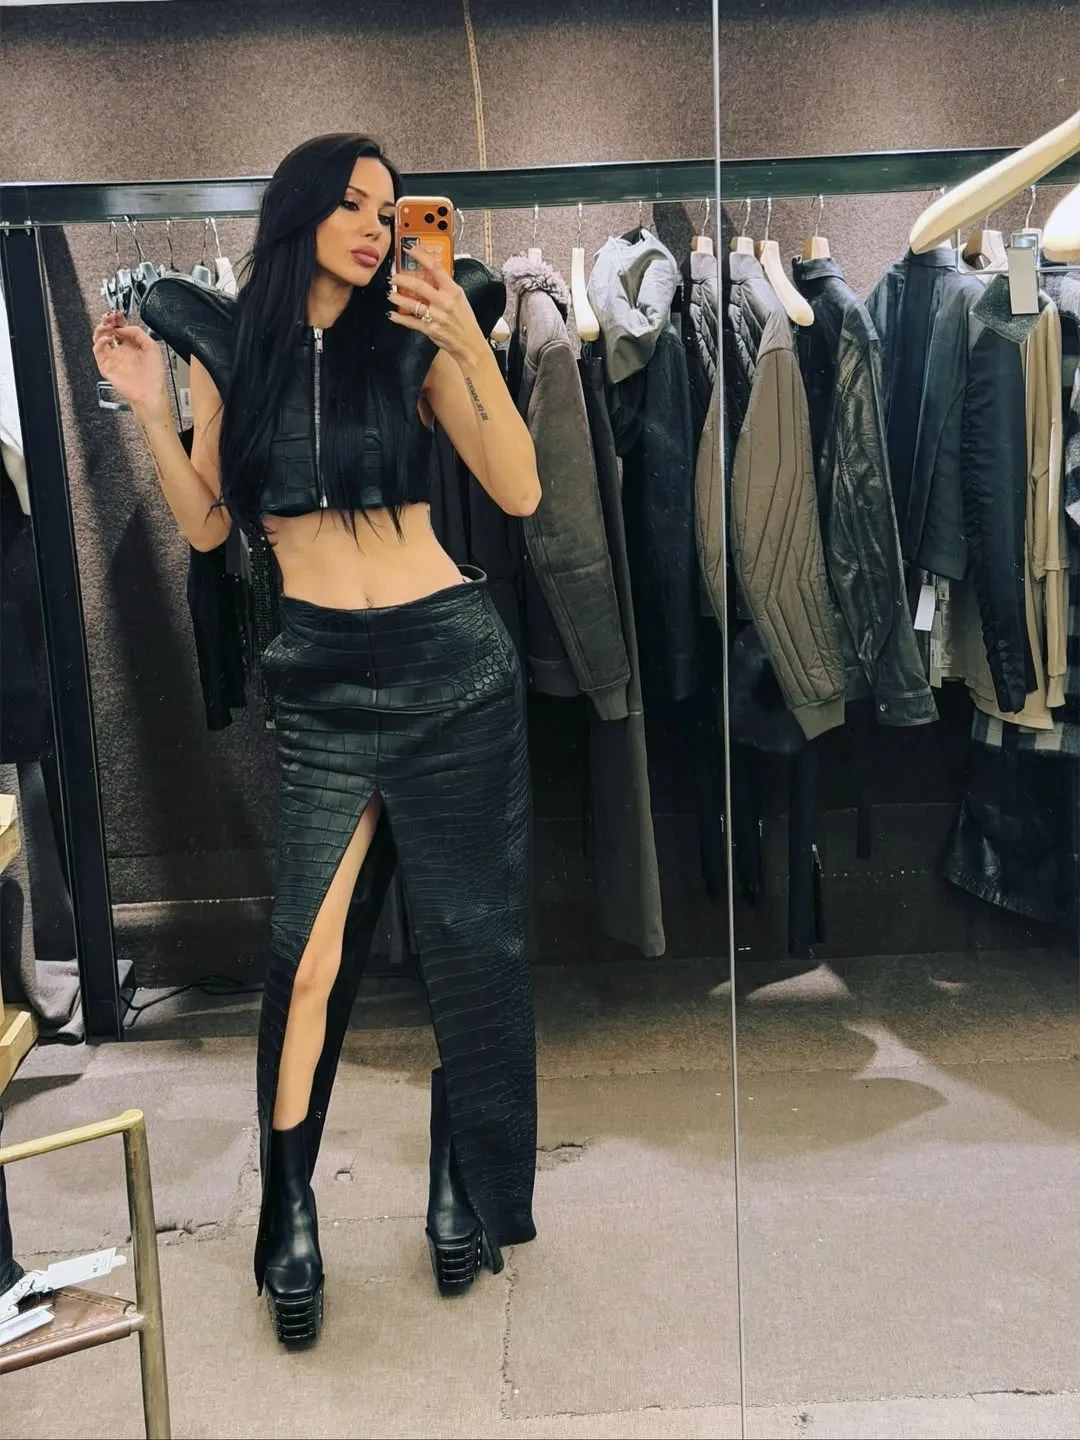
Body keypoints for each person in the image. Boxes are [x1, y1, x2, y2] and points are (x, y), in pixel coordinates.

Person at [93, 134, 541, 1350]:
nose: (374, 227)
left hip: (452, 666)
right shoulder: (235, 350)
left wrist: (467, 345)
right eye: (351, 204)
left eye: (387, 211)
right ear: (298, 213)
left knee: (469, 943)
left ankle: (459, 1178)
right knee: (306, 955)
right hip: (325, 679)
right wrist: (151, 409)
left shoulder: (414, 337)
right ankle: (287, 1208)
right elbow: (207, 529)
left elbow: (518, 491)